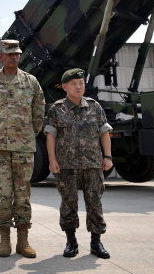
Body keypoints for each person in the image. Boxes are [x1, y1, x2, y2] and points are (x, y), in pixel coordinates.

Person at [0, 39, 45, 258]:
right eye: (10, 54)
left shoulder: (31, 82)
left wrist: (27, 134)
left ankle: (23, 241)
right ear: (1, 57)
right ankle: (4, 240)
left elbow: (38, 111)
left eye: (17, 54)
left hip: (23, 147)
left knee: (23, 194)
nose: (14, 57)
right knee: (2, 195)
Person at [44, 68, 113, 259]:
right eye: (73, 84)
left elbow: (104, 132)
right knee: (68, 204)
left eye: (81, 83)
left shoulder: (94, 106)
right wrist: (52, 160)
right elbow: (50, 135)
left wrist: (107, 157)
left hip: (92, 164)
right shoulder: (56, 109)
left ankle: (96, 243)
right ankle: (71, 242)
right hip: (66, 166)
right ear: (64, 86)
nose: (78, 86)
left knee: (94, 203)